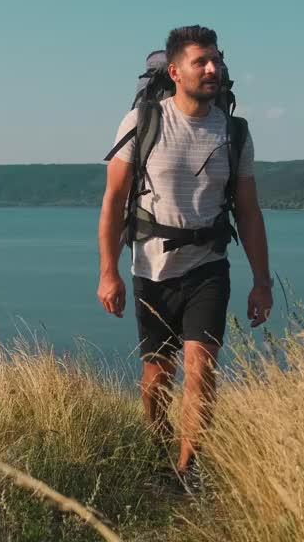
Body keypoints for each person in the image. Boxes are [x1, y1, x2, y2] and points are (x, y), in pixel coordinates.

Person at [97, 24, 273, 488]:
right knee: (158, 375)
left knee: (201, 369)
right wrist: (107, 272)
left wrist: (262, 280)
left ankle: (187, 470)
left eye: (216, 60)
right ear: (175, 71)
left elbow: (249, 213)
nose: (213, 68)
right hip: (151, 269)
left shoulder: (234, 132)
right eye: (202, 61)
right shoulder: (143, 121)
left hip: (208, 267)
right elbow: (114, 200)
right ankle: (156, 454)